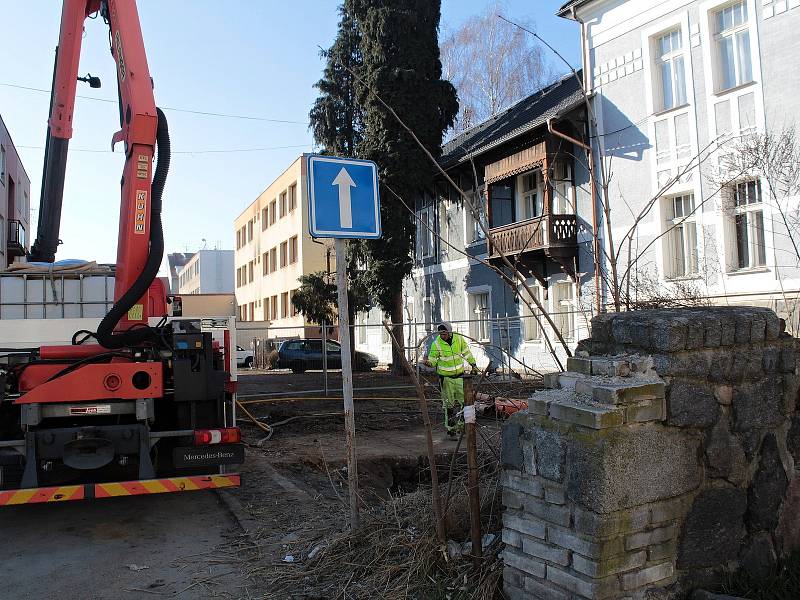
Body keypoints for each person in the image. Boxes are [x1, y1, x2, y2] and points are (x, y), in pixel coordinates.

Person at [426, 322, 478, 435]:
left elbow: (466, 353)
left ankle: (461, 426)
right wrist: (429, 363)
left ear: (449, 331)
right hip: (446, 379)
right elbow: (433, 358)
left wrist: (473, 364)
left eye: (444, 333)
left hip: (460, 377)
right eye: (440, 334)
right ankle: (451, 429)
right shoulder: (436, 344)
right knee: (449, 405)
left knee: (466, 402)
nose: (442, 336)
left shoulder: (458, 339)